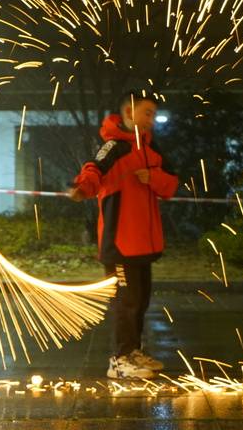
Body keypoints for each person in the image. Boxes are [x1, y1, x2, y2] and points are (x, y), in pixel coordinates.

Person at [67, 90, 179, 379]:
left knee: (140, 301)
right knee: (125, 303)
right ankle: (119, 360)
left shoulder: (152, 149)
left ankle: (133, 352)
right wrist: (82, 188)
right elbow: (94, 170)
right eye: (147, 113)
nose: (151, 119)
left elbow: (171, 184)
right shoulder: (114, 147)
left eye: (154, 114)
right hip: (120, 244)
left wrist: (153, 178)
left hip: (144, 244)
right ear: (129, 112)